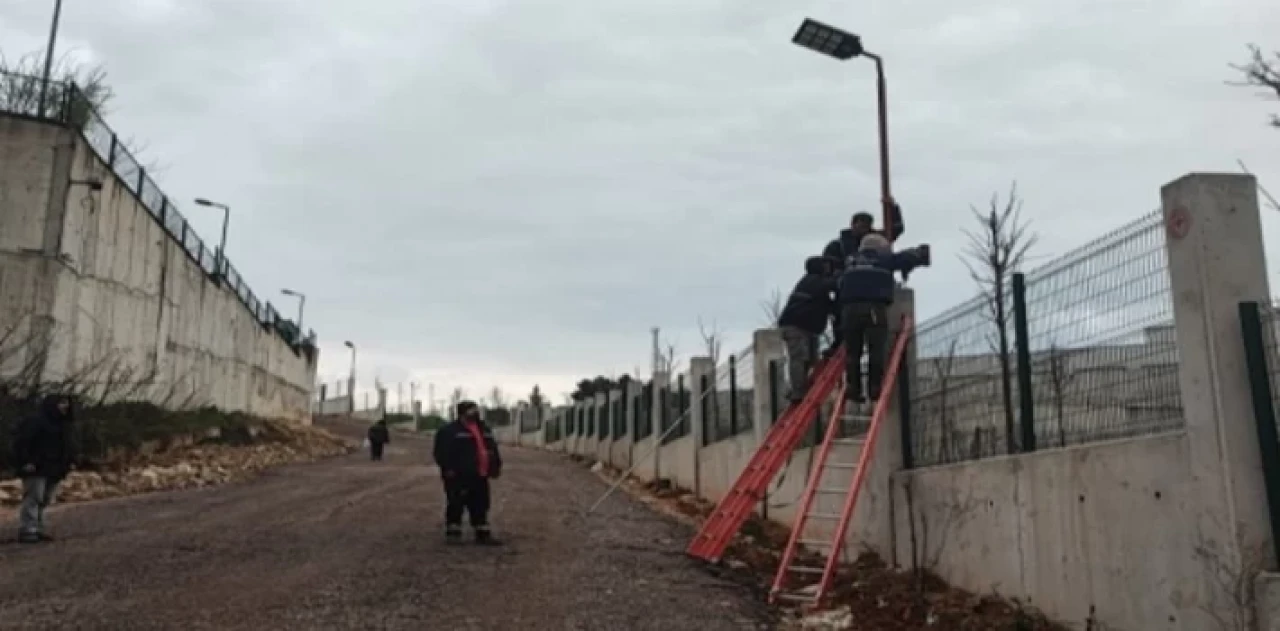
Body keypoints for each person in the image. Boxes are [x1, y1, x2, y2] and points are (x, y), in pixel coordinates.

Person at [837, 233, 929, 404]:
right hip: (873, 308)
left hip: (849, 310)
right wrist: (920, 253)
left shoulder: (851, 260)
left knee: (853, 353)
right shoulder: (884, 260)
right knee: (875, 349)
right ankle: (874, 387)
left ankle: (853, 388)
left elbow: (846, 243)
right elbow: (907, 258)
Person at [432, 401, 503, 545]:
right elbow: (441, 452)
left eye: (476, 410)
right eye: (471, 410)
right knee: (456, 502)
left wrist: (495, 466)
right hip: (458, 474)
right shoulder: (450, 431)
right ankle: (453, 532)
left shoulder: (484, 429)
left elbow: (492, 448)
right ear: (462, 412)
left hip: (480, 474)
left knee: (481, 502)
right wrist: (448, 469)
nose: (475, 413)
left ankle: (482, 532)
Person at [12, 394, 77, 544]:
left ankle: (38, 528)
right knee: (34, 497)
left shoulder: (64, 425)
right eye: (61, 403)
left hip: (55, 469)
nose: (65, 406)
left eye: (66, 403)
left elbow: (68, 446)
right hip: (36, 467)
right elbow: (22, 442)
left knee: (45, 499)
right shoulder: (36, 421)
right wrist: (26, 461)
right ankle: (28, 529)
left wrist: (70, 461)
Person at [777, 255, 840, 403]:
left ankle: (800, 387)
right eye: (826, 266)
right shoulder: (812, 281)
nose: (828, 269)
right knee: (799, 358)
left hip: (807, 327)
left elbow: (831, 307)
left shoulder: (814, 285)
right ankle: (797, 391)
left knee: (811, 359)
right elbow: (834, 284)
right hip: (795, 326)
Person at [822, 204, 906, 270]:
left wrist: (892, 208)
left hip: (877, 280)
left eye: (866, 226)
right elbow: (827, 265)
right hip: (849, 283)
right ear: (852, 225)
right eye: (860, 225)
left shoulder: (876, 240)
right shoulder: (837, 246)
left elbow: (896, 229)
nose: (862, 230)